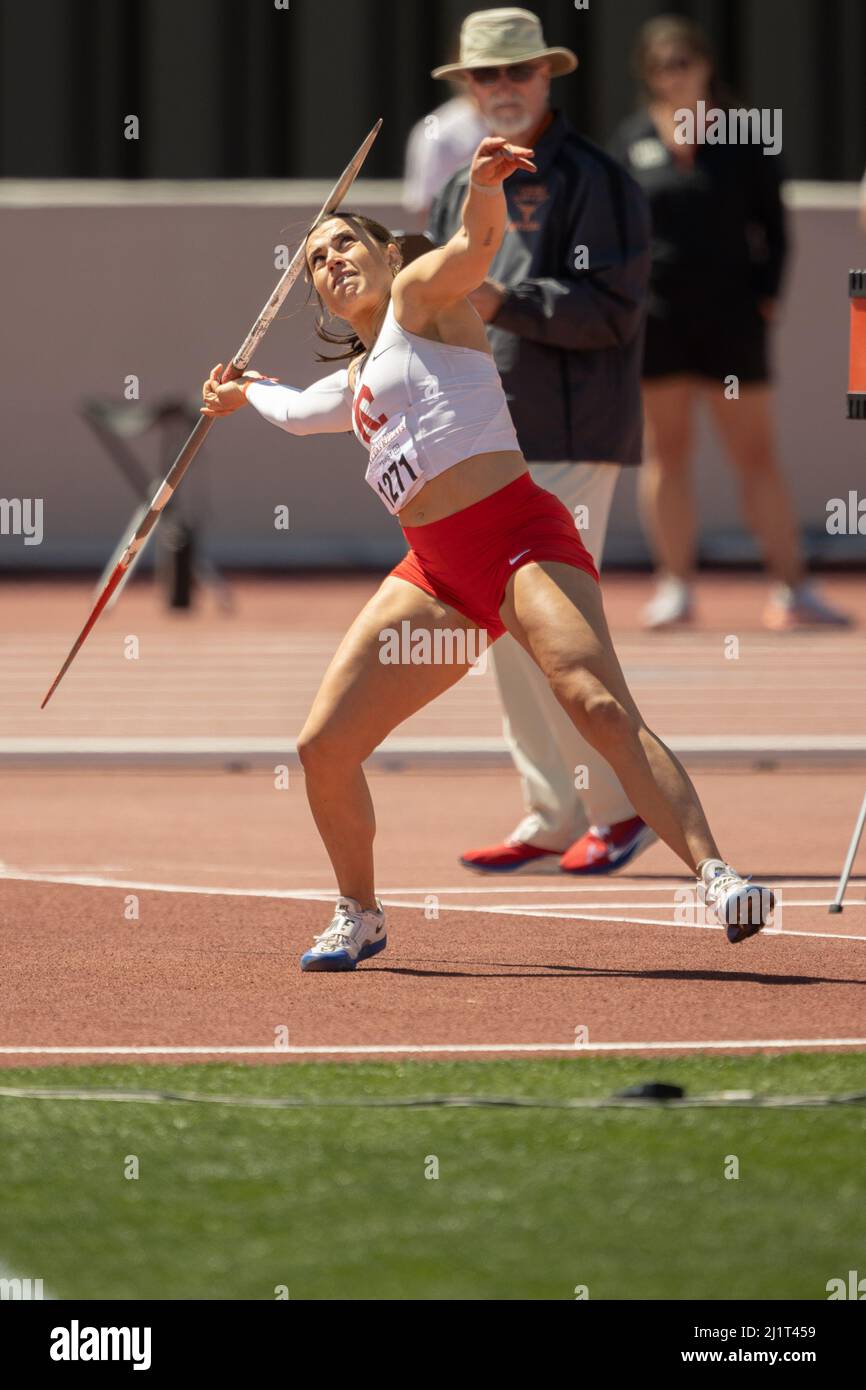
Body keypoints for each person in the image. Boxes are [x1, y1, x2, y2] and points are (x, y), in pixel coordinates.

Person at [201, 135, 774, 972]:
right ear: (318, 295)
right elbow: (294, 410)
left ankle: (719, 876)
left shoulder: (422, 300)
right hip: (435, 575)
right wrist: (241, 392)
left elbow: (473, 248)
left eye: (346, 243)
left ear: (388, 251)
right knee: (322, 747)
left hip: (520, 543)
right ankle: (358, 913)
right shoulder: (354, 383)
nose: (332, 262)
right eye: (318, 260)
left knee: (596, 704)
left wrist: (480, 186)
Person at [426, 7, 657, 877]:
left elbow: (617, 309)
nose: (503, 89)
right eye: (487, 76)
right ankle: (555, 811)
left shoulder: (597, 176)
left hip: (569, 430)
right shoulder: (460, 187)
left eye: (517, 72)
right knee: (508, 626)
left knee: (554, 628)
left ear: (547, 75)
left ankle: (622, 806)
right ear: (470, 87)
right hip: (486, 436)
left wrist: (502, 303)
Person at [609, 13, 850, 632]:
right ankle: (675, 588)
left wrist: (766, 298)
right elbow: (615, 232)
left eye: (684, 62)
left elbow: (775, 229)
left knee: (755, 454)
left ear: (706, 66)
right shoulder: (632, 139)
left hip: (732, 323)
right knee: (667, 453)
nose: (676, 76)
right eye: (663, 67)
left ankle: (792, 589)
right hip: (658, 323)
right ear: (650, 76)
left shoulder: (745, 139)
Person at [402, 83, 488, 232]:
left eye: (517, 73)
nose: (504, 86)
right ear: (468, 80)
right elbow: (428, 208)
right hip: (459, 240)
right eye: (488, 75)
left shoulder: (525, 124)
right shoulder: (439, 133)